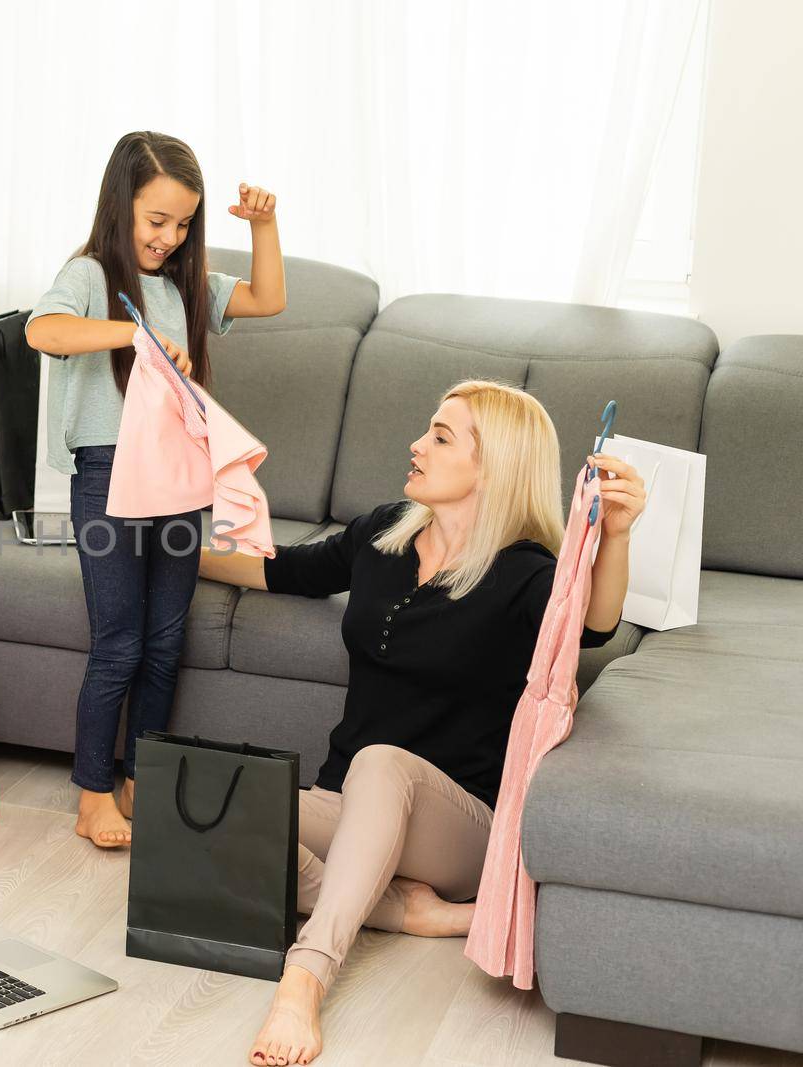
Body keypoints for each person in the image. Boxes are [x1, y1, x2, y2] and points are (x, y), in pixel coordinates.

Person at [198, 380, 646, 1066]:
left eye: (440, 435)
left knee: (382, 759)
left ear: (492, 463)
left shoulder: (527, 574)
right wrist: (161, 553)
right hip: (347, 800)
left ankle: (304, 978)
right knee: (221, 810)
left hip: (460, 823)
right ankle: (409, 911)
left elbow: (594, 623)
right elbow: (283, 568)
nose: (416, 444)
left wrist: (613, 535)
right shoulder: (383, 530)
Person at [24, 130, 288, 848]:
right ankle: (91, 795)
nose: (169, 238)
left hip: (178, 475)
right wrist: (128, 336)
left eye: (182, 224)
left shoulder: (184, 285)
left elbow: (268, 296)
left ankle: (141, 778)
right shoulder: (87, 276)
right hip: (110, 476)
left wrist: (263, 225)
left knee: (165, 640)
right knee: (119, 643)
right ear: (121, 205)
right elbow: (40, 330)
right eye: (156, 221)